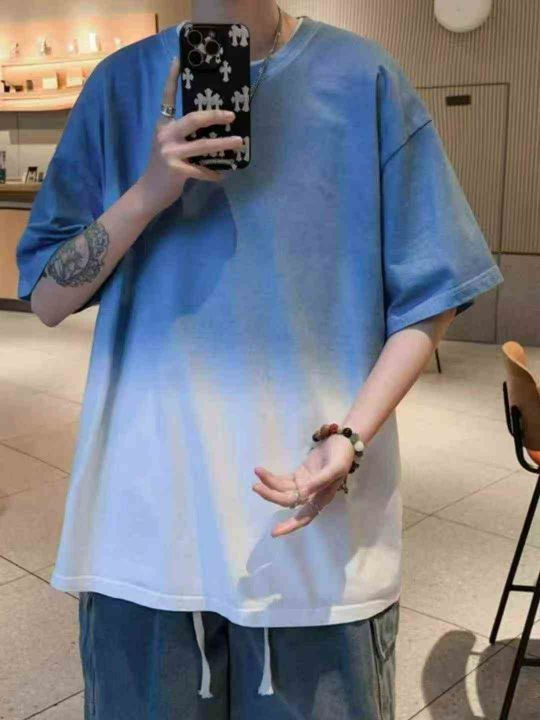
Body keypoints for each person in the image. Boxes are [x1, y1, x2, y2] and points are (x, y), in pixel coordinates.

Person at [16, 1, 504, 718]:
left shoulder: (362, 77)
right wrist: (149, 192)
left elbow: (434, 293)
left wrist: (353, 435)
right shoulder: (118, 86)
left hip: (316, 530)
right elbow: (48, 298)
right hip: (143, 523)